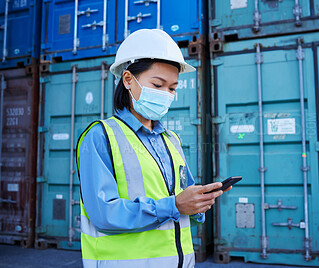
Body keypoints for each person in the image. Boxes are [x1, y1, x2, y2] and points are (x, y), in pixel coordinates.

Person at [76, 29, 230, 268]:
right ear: (128, 80)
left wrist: (199, 203)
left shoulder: (171, 140)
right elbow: (104, 214)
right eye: (158, 84)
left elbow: (181, 199)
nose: (166, 95)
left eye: (172, 88)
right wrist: (175, 205)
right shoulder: (100, 136)